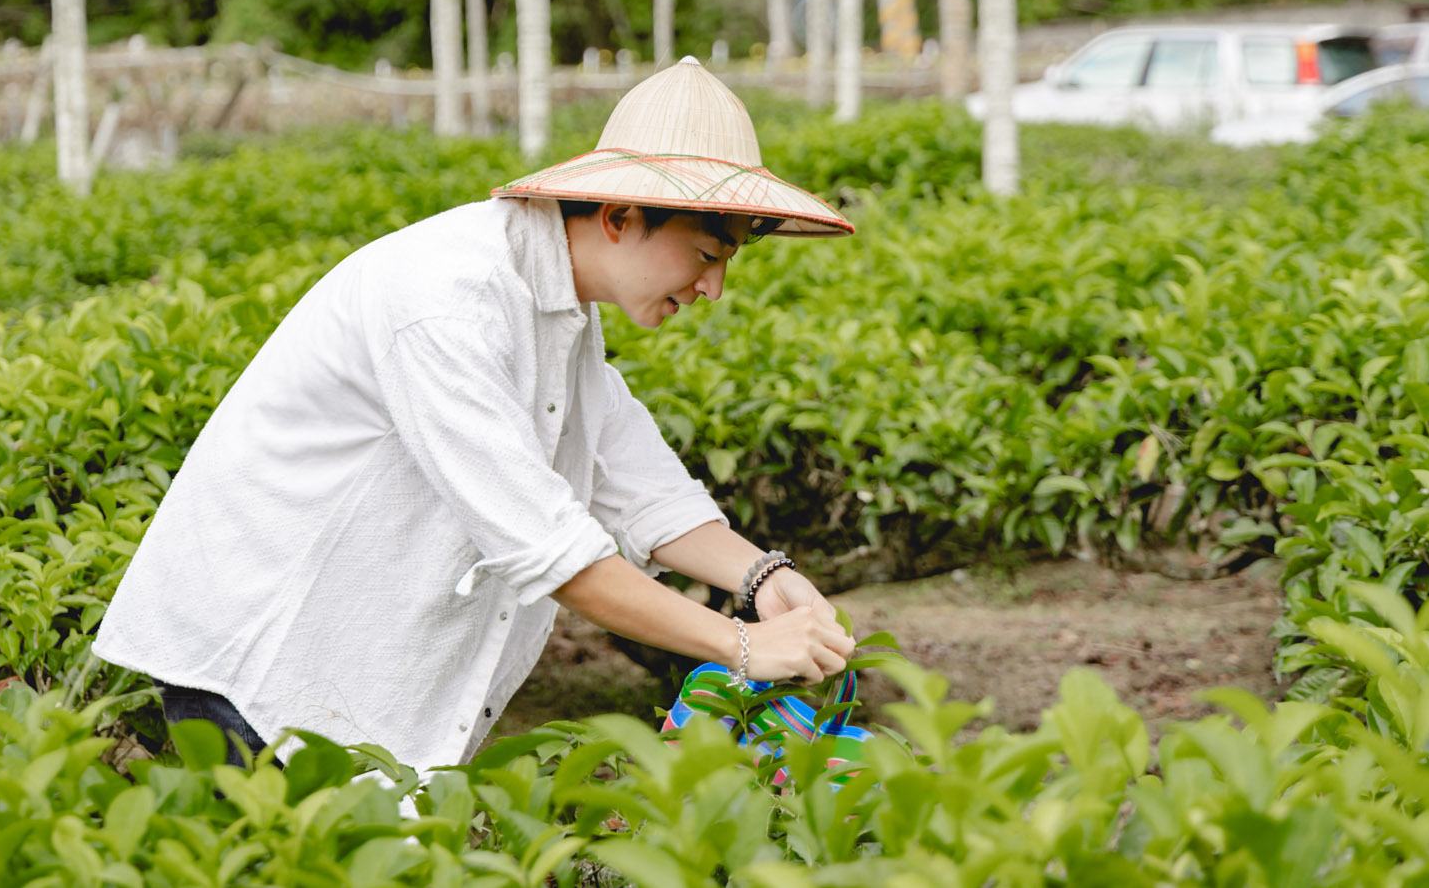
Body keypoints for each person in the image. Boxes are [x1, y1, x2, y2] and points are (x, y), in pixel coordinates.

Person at [92, 57, 859, 770]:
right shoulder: (448, 300)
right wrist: (743, 645)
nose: (714, 288)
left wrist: (763, 575)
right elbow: (554, 554)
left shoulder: (559, 313)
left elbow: (633, 479)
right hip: (261, 665)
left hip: (335, 675)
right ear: (621, 215)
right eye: (708, 254)